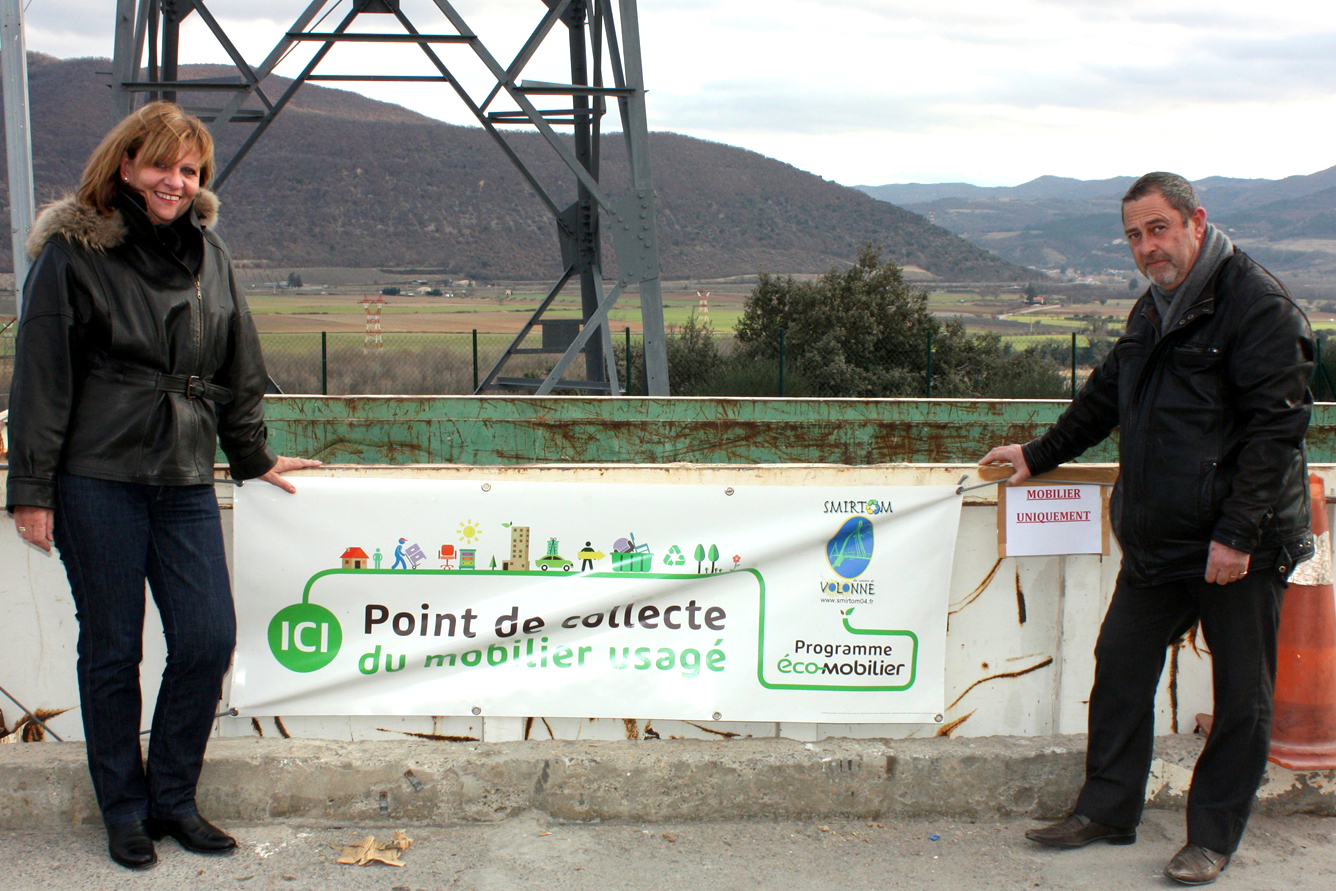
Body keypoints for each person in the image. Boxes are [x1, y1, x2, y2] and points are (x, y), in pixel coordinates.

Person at [5, 102, 321, 870]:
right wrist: (32, 487)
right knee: (112, 648)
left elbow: (238, 365)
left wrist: (252, 455)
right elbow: (42, 375)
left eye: (188, 168)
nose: (175, 181)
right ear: (125, 165)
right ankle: (124, 809)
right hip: (97, 478)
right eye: (160, 165)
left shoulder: (211, 255)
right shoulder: (73, 253)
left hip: (183, 476)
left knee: (208, 638)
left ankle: (174, 797)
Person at [980, 172, 1314, 886]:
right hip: (1160, 539)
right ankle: (1108, 810)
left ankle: (1211, 838)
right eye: (1134, 235)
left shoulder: (1258, 305)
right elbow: (1107, 396)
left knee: (1242, 696)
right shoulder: (1153, 308)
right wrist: (1038, 454)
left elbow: (1277, 430)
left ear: (1197, 221)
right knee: (1122, 667)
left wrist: (1238, 534)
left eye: (1158, 228)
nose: (1147, 247)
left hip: (1239, 544)